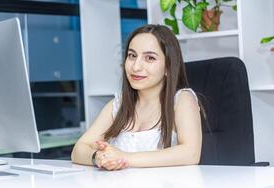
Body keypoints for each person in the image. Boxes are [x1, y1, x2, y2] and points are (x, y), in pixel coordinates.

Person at [71, 24, 202, 170]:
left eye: (150, 58)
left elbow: (191, 153)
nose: (136, 67)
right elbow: (78, 150)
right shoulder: (119, 104)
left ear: (168, 67)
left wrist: (125, 158)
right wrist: (99, 157)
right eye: (132, 56)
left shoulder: (181, 100)